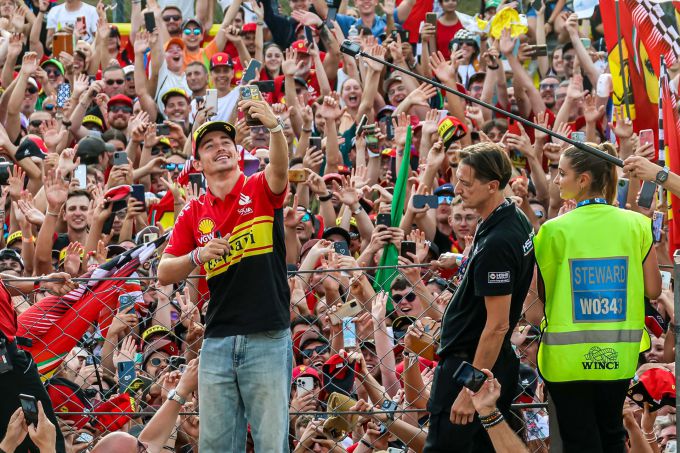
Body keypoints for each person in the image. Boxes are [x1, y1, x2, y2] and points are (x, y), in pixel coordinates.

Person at [157, 96, 291, 452]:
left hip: (267, 335)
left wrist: (275, 128)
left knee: (270, 444)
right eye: (209, 145)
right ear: (198, 162)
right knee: (215, 446)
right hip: (216, 341)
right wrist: (197, 255)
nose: (220, 148)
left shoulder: (259, 187)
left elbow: (279, 171)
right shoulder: (192, 212)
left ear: (237, 151)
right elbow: (163, 271)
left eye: (226, 143)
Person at [534, 142, 662, 452]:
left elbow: (535, 304)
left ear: (584, 179)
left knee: (580, 440)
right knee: (611, 435)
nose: (556, 180)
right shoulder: (637, 225)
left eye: (562, 173)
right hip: (618, 357)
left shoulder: (552, 230)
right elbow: (655, 290)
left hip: (565, 362)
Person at [424, 142, 535, 452]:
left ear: (492, 185)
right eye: (458, 179)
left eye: (466, 182)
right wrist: (463, 262)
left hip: (471, 366)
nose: (458, 189)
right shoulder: (510, 213)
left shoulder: (499, 241)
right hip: (487, 363)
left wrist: (469, 390)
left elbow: (498, 326)